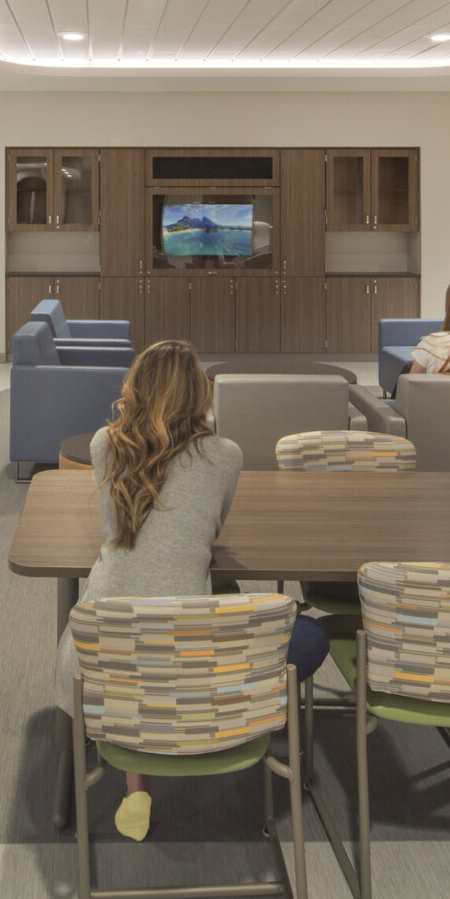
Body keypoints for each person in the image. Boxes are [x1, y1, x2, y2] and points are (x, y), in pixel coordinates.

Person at [52, 339, 329, 842]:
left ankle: (137, 785)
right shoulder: (224, 455)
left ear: (134, 388)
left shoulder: (104, 444)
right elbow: (212, 530)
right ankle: (222, 726)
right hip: (191, 657)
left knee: (140, 640)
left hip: (98, 654)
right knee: (308, 636)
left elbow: (115, 527)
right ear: (200, 395)